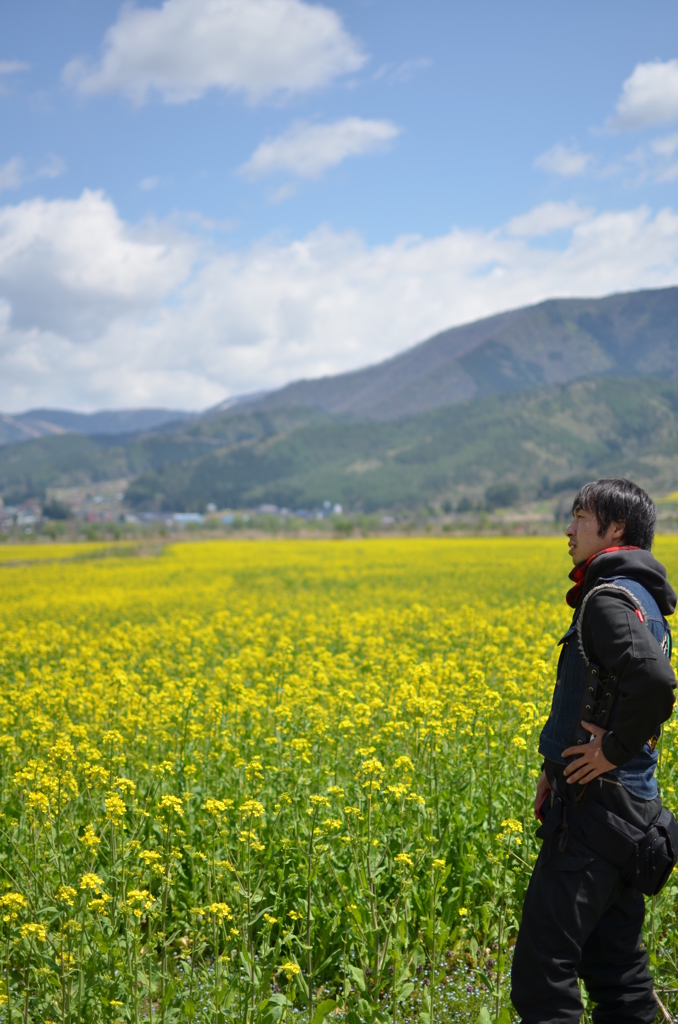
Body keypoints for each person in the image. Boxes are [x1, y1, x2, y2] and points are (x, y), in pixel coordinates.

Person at [511, 479, 677, 1024]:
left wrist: (611, 749)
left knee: (543, 974)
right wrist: (551, 767)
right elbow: (600, 696)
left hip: (592, 818)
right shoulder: (644, 598)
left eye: (580, 516)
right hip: (628, 818)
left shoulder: (608, 599)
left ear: (615, 528)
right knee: (619, 975)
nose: (568, 528)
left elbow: (654, 683)